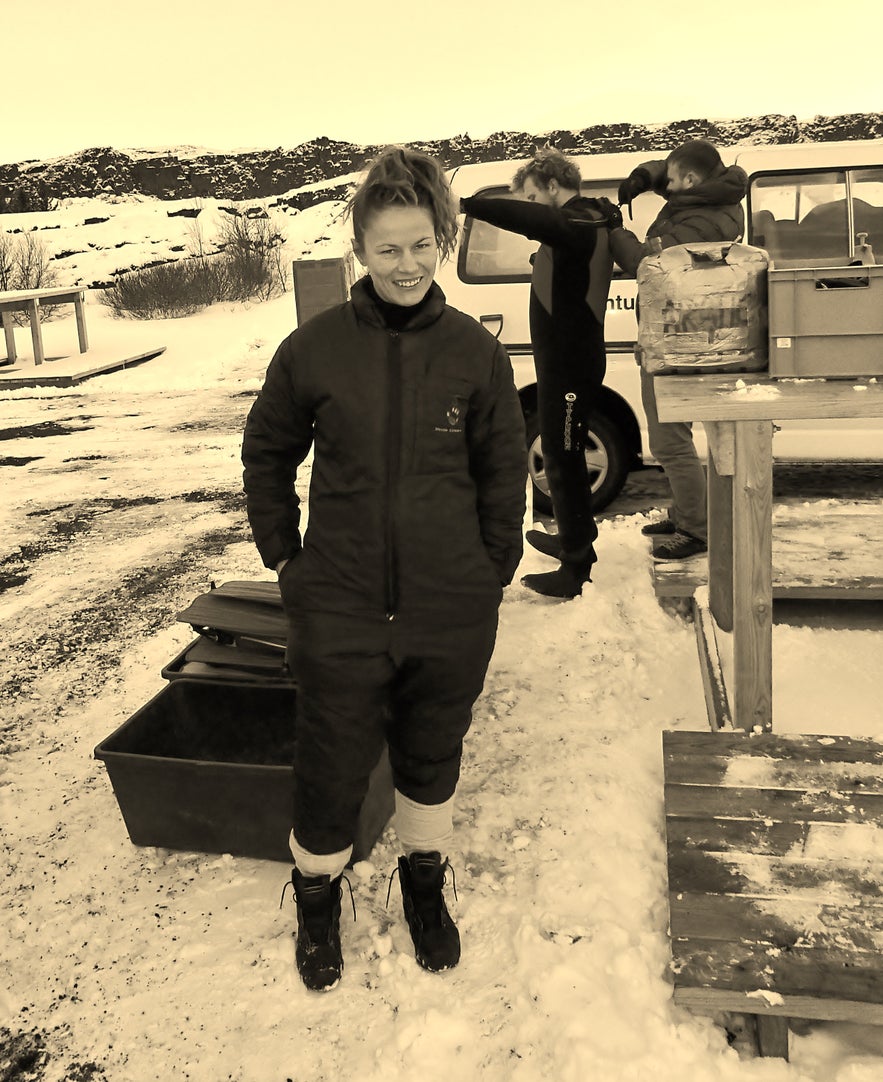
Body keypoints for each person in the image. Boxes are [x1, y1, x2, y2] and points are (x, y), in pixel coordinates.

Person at [241, 146, 526, 992]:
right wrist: (286, 559)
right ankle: (319, 896)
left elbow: (504, 467)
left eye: (420, 246)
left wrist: (492, 566)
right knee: (330, 763)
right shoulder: (314, 350)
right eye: (388, 249)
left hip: (451, 604)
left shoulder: (474, 352)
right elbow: (267, 454)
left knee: (432, 754)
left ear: (441, 241)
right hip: (340, 603)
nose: (406, 265)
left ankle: (423, 883)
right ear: (361, 251)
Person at [461, 147, 614, 599]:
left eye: (531, 196)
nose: (529, 207)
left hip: (572, 365)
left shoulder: (580, 223)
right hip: (563, 364)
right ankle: (573, 538)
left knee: (564, 461)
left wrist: (468, 206)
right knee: (559, 453)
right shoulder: (581, 223)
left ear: (553, 186)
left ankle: (576, 566)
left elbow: (536, 223)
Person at [599, 139, 748, 560]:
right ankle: (686, 515)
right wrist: (643, 177)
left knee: (669, 441)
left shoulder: (705, 220)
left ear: (691, 180)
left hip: (679, 340)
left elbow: (649, 262)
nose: (667, 182)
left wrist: (615, 232)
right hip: (674, 334)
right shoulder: (705, 195)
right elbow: (668, 169)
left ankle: (697, 530)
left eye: (672, 177)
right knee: (674, 437)